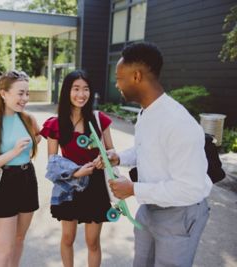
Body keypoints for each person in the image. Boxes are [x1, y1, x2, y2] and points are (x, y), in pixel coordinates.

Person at [107, 42, 213, 267]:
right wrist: (119, 157)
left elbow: (189, 189)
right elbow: (145, 149)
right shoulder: (147, 112)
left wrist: (134, 189)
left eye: (119, 78)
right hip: (150, 208)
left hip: (180, 214)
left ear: (136, 76)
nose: (116, 84)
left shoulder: (178, 123)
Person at [40, 70, 114, 267]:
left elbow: (112, 153)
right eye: (76, 89)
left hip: (96, 185)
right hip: (68, 186)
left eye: (86, 89)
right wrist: (76, 173)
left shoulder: (99, 120)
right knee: (67, 238)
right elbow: (53, 163)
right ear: (67, 91)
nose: (81, 94)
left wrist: (104, 158)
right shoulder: (55, 124)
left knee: (92, 242)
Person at [0, 70, 41, 267]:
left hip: (28, 179)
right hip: (4, 183)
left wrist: (30, 145)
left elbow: (37, 136)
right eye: (20, 93)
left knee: (19, 239)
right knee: (3, 249)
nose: (25, 98)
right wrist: (12, 153)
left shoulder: (27, 119)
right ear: (4, 94)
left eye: (27, 93)